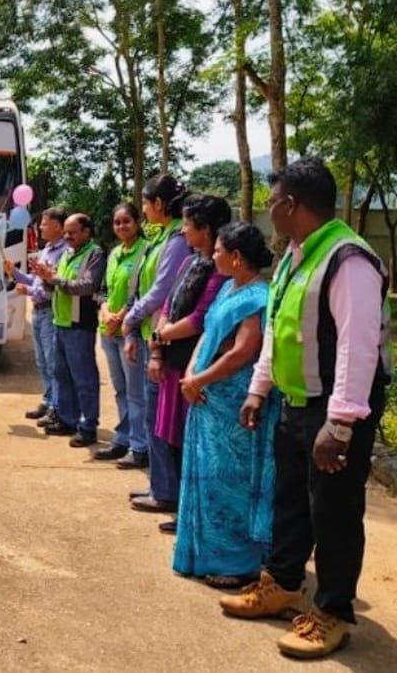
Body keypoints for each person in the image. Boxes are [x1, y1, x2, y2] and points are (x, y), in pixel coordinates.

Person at [220, 158, 391, 659]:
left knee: (334, 511)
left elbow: (359, 345)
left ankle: (334, 611)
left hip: (334, 411)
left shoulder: (347, 260)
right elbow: (279, 328)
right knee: (290, 498)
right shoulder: (296, 257)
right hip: (295, 403)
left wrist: (339, 423)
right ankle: (284, 584)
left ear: (291, 204)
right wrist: (259, 387)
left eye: (272, 202)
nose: (269, 211)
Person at [173, 222, 278, 586]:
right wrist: (190, 374)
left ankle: (237, 563)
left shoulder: (256, 297)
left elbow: (244, 352)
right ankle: (205, 554)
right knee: (207, 478)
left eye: (218, 250)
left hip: (232, 406)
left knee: (229, 482)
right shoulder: (227, 289)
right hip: (206, 398)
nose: (213, 254)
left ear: (236, 257)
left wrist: (200, 380)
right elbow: (206, 336)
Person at [132, 195, 232, 527]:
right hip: (173, 361)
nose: (185, 231)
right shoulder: (190, 263)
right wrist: (158, 347)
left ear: (206, 229)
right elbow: (169, 305)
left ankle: (188, 509)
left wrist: (160, 337)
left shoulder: (220, 273)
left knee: (191, 442)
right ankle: (178, 501)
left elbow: (199, 319)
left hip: (195, 367)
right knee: (169, 435)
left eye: (189, 224)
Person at [119, 175, 191, 477]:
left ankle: (164, 488)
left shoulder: (176, 241)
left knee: (160, 418)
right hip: (152, 335)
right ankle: (159, 485)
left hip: (165, 340)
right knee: (153, 415)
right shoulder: (161, 237)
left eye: (145, 204)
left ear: (159, 204)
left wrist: (130, 317)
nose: (144, 211)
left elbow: (161, 291)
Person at [35, 213, 104, 447]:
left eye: (73, 232)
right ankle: (67, 418)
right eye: (66, 232)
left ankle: (88, 425)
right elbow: (56, 285)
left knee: (83, 379)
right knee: (61, 374)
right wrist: (45, 278)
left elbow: (86, 286)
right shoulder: (68, 253)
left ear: (87, 231)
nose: (68, 236)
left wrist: (55, 280)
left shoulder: (95, 254)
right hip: (60, 322)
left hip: (79, 324)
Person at [4, 207, 69, 426]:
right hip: (39, 311)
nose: (40, 227)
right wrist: (14, 272)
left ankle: (57, 407)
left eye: (44, 223)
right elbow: (36, 280)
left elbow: (52, 286)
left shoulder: (64, 252)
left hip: (51, 309)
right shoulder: (47, 249)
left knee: (53, 362)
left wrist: (29, 291)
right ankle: (48, 399)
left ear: (58, 226)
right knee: (41, 361)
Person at [94, 203, 149, 461]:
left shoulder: (145, 251)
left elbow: (142, 292)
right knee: (120, 390)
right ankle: (123, 438)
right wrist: (106, 313)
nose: (121, 226)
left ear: (137, 222)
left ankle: (139, 446)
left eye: (126, 221)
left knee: (136, 391)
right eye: (117, 222)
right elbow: (103, 289)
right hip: (108, 330)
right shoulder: (114, 253)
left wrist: (122, 315)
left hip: (131, 332)